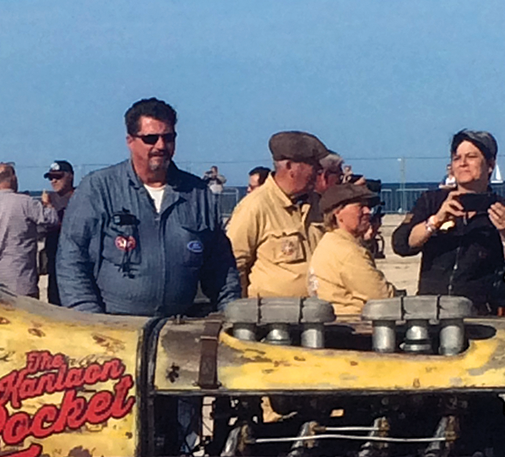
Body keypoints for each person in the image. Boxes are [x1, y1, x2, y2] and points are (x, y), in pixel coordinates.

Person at [55, 97, 239, 316]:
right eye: (151, 138)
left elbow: (221, 269)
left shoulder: (198, 194)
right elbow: (71, 259)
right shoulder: (98, 189)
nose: (160, 146)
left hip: (178, 328)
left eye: (168, 138)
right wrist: (89, 318)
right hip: (113, 327)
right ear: (130, 141)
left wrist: (233, 316)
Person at [389, 129, 505, 314]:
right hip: (430, 310)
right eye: (457, 158)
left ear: (490, 164)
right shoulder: (432, 201)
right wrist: (435, 221)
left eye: (471, 156)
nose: (463, 163)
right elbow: (401, 244)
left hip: (480, 313)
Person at [226, 131, 329, 298]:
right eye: (313, 165)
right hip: (272, 317)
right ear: (289, 167)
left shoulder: (318, 205)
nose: (318, 172)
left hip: (318, 312)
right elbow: (233, 265)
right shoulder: (254, 207)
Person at [0, 162, 59, 298]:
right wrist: (47, 204)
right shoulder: (26, 203)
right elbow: (53, 220)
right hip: (23, 283)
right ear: (13, 178)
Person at [308, 182, 399, 317]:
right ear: (338, 212)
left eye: (368, 207)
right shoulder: (346, 251)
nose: (368, 211)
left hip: (335, 323)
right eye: (360, 207)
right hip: (354, 327)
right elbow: (381, 295)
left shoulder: (331, 241)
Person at [40, 160, 76, 304]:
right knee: (54, 301)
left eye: (58, 176)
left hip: (72, 262)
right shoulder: (50, 198)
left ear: (70, 176)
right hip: (53, 260)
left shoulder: (79, 198)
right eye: (50, 177)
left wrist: (49, 209)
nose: (53, 181)